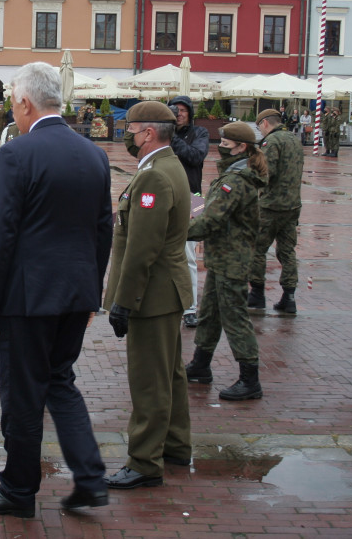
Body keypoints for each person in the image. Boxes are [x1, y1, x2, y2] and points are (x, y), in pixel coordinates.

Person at [0, 62, 111, 517]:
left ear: (26, 103)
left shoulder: (18, 153)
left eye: (13, 103)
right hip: (75, 292)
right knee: (60, 381)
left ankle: (18, 490)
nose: (14, 111)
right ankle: (89, 477)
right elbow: (103, 230)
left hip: (27, 299)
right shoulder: (94, 154)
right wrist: (93, 292)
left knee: (24, 395)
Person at [103, 101, 192, 490]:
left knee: (149, 381)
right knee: (170, 374)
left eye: (132, 129)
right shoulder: (166, 166)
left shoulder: (155, 175)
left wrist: (124, 300)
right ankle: (174, 445)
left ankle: (144, 463)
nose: (128, 135)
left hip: (151, 295)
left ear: (149, 133)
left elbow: (143, 247)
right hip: (164, 292)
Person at [186, 122, 269, 400]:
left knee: (234, 317)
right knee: (210, 313)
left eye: (225, 143)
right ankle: (200, 365)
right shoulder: (233, 174)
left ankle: (250, 378)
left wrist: (175, 232)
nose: (219, 147)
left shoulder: (236, 180)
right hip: (222, 258)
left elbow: (211, 220)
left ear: (241, 147)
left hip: (232, 259)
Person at [247, 108, 304, 315]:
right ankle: (289, 297)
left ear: (264, 123)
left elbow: (265, 173)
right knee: (287, 252)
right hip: (292, 205)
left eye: (258, 126)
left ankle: (257, 294)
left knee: (257, 248)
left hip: (270, 207)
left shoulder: (271, 142)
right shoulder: (294, 139)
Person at [167, 95, 209, 328]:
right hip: (165, 197)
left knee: (189, 256)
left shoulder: (200, 133)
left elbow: (196, 156)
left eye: (184, 110)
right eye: (175, 110)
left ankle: (190, 307)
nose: (179, 113)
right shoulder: (160, 132)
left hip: (194, 198)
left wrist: (171, 137)